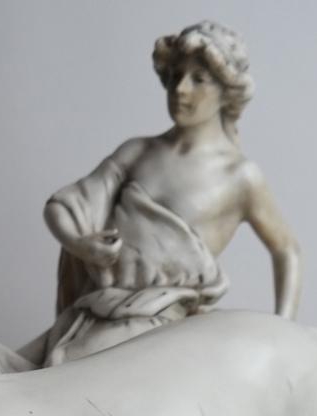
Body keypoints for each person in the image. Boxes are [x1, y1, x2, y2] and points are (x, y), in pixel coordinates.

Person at [42, 21, 301, 365]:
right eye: (176, 75)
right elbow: (65, 204)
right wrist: (80, 245)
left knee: (61, 375)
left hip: (159, 328)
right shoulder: (136, 152)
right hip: (95, 313)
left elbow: (286, 249)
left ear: (227, 91)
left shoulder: (240, 176)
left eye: (199, 79)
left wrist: (283, 330)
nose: (180, 89)